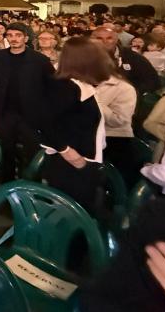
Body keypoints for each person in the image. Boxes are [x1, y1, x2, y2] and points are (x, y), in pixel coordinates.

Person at [39, 37, 111, 214]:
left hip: (80, 160)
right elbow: (46, 122)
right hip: (71, 164)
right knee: (72, 216)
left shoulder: (78, 84)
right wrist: (68, 153)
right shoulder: (66, 86)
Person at [0, 22, 55, 182]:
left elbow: (52, 86)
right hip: (6, 113)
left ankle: (32, 189)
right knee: (7, 152)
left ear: (26, 38)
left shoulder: (39, 60)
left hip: (30, 115)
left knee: (31, 153)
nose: (14, 39)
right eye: (10, 35)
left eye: (18, 35)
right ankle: (7, 188)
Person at [91, 26, 161, 95]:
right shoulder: (84, 56)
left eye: (109, 38)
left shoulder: (133, 57)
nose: (105, 41)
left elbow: (153, 81)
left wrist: (132, 93)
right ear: (92, 40)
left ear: (116, 39)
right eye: (99, 38)